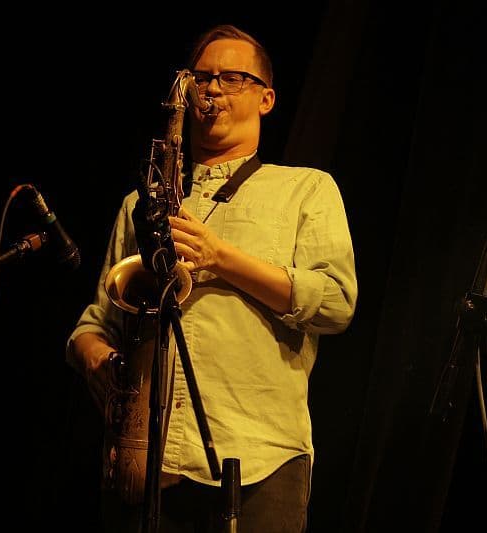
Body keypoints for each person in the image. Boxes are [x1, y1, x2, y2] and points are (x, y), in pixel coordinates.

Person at [67, 24, 357, 533]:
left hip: (259, 459)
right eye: (202, 78)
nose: (213, 90)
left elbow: (336, 303)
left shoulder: (306, 189)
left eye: (232, 78)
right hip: (145, 462)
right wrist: (98, 360)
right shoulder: (142, 205)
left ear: (266, 98)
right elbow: (94, 324)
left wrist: (220, 258)